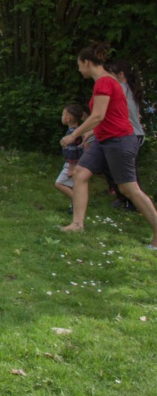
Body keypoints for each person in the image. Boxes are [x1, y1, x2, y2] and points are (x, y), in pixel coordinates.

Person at [61, 45, 157, 248]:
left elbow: (98, 115)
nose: (79, 70)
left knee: (129, 189)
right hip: (104, 140)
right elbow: (111, 116)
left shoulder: (104, 83)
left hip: (120, 141)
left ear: (87, 62)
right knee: (80, 173)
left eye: (79, 65)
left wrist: (74, 135)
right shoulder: (107, 82)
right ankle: (77, 224)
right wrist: (91, 132)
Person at [106, 59, 146, 211]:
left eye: (110, 73)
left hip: (131, 135)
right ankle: (123, 198)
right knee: (116, 168)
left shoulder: (120, 89)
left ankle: (133, 203)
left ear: (120, 75)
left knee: (129, 172)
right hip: (134, 134)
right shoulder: (128, 88)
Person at [54, 103, 90, 206]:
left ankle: (78, 200)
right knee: (74, 185)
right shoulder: (77, 132)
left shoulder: (72, 135)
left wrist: (70, 168)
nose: (62, 117)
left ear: (68, 118)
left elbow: (72, 152)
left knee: (59, 183)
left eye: (62, 115)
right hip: (79, 164)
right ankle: (73, 207)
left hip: (72, 165)